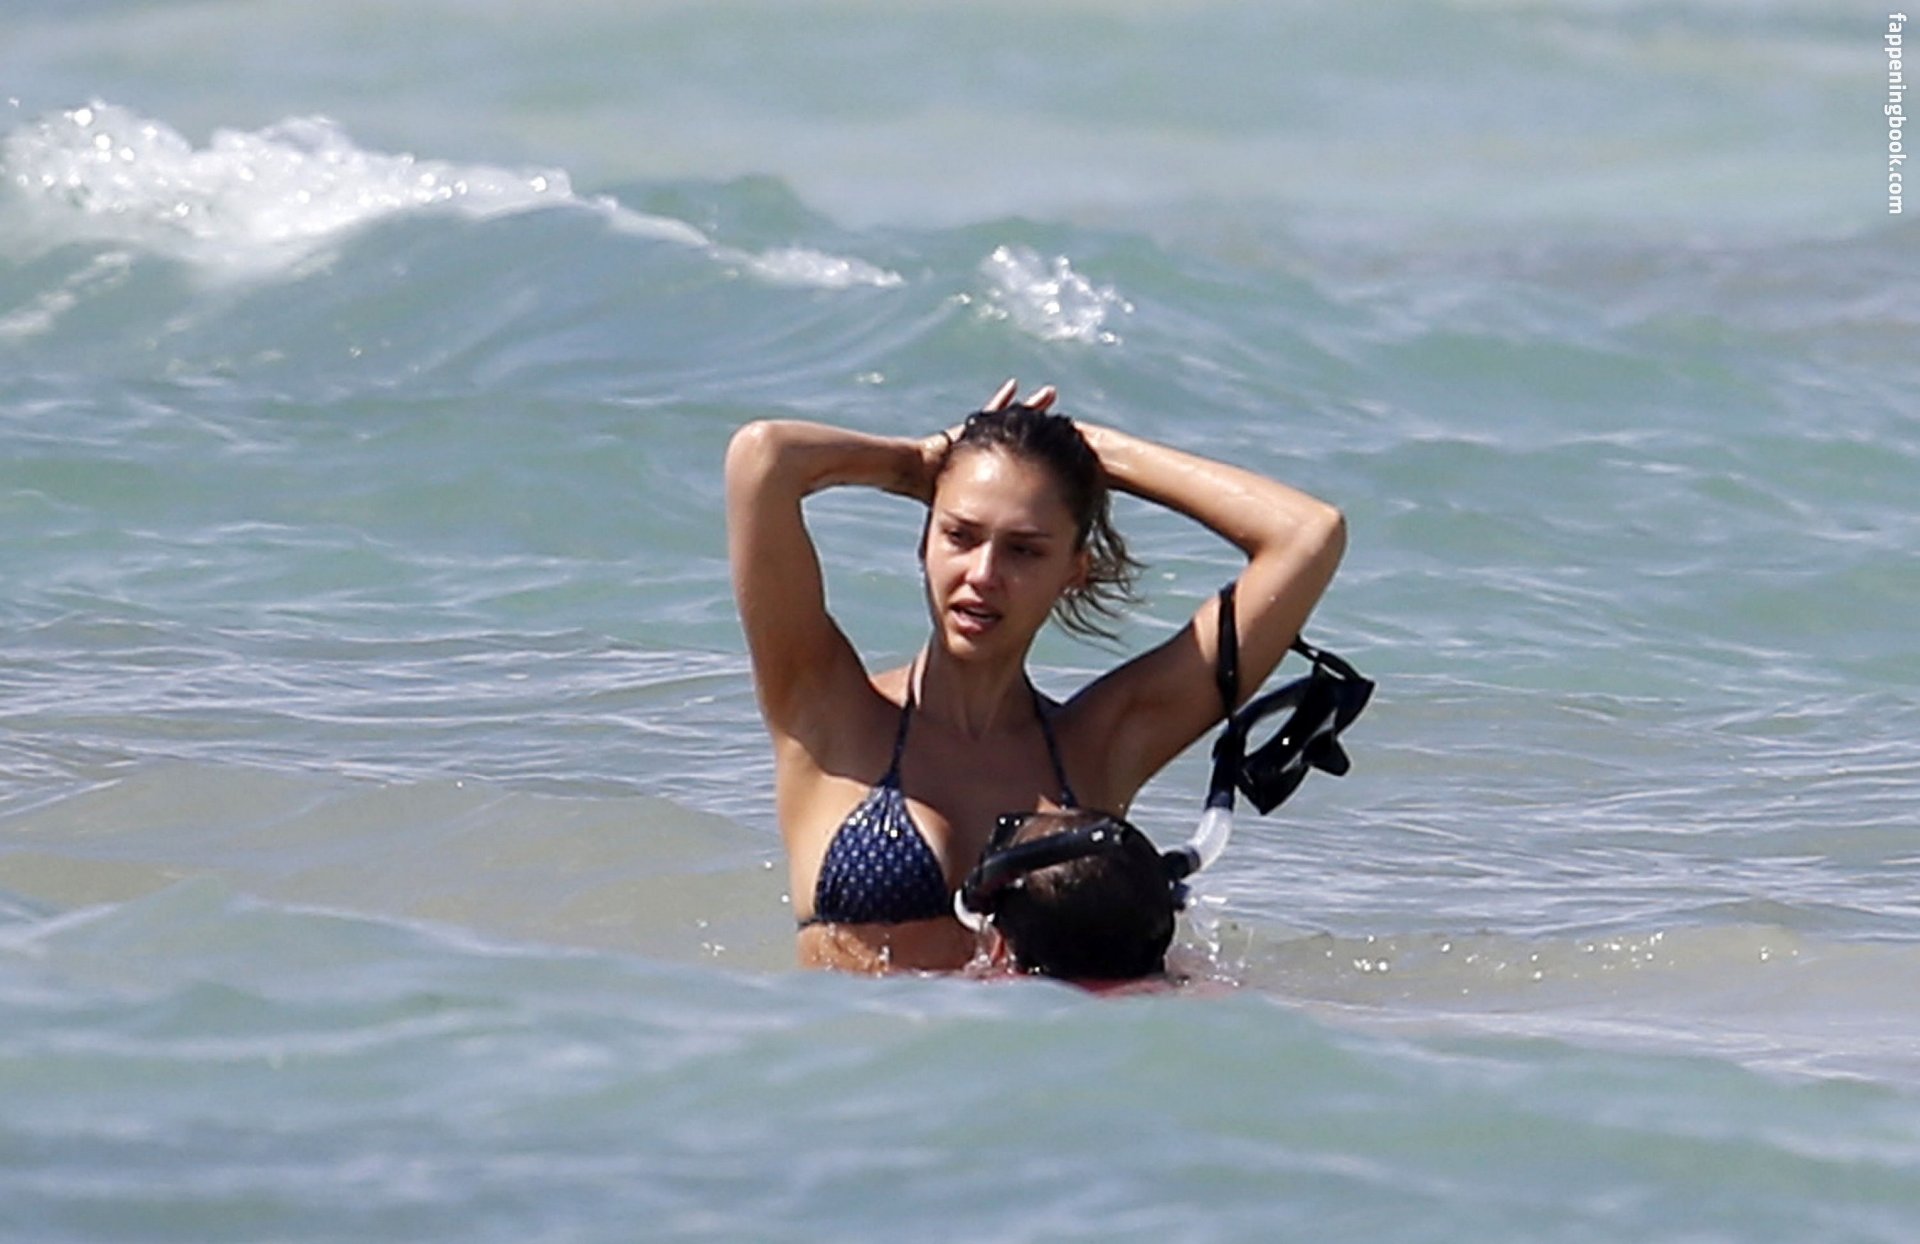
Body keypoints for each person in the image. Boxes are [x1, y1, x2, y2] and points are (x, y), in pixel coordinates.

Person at [725, 380, 1346, 972]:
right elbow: (764, 457)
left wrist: (1096, 451)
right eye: (959, 535)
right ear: (925, 540)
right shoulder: (826, 713)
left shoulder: (1097, 747)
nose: (983, 575)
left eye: (1024, 550)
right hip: (855, 1048)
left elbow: (1307, 535)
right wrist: (916, 463)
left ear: (1075, 569)